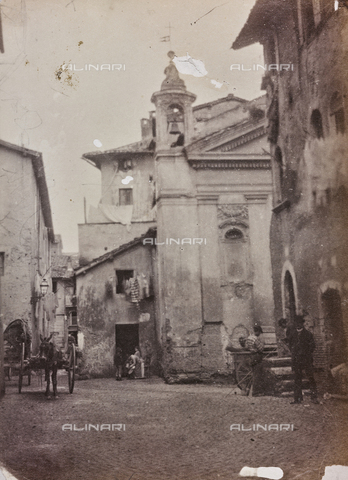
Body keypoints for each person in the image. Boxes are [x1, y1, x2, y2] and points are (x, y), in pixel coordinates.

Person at [286, 315, 319, 404]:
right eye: (296, 323)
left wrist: (306, 353)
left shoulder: (308, 334)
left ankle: (314, 397)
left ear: (302, 323)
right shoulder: (292, 334)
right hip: (296, 360)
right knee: (297, 379)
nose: (298, 324)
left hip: (306, 359)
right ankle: (297, 399)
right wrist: (294, 352)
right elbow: (290, 345)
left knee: (311, 377)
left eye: (299, 323)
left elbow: (312, 346)